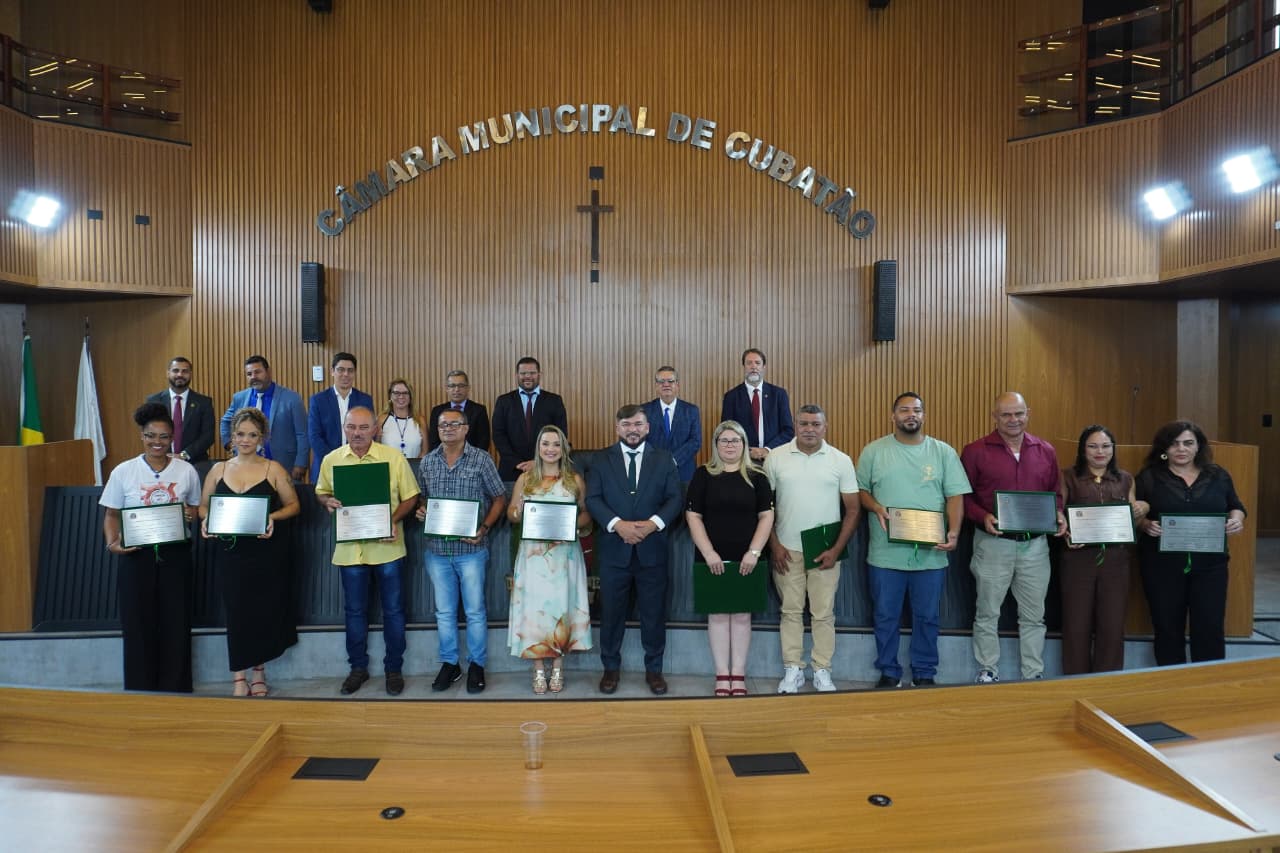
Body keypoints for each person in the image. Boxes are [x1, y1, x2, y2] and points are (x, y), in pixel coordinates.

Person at [857, 393, 970, 688]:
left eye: (917, 410)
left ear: (924, 416)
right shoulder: (874, 451)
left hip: (931, 553)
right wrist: (876, 507)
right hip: (885, 553)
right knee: (885, 615)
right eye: (904, 410)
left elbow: (955, 496)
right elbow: (861, 491)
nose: (911, 415)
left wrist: (954, 531)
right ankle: (889, 672)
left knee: (928, 616)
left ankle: (924, 671)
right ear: (893, 416)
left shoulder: (943, 452)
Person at [961, 391, 1067, 683]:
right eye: (1006, 414)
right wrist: (982, 516)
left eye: (1019, 413)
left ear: (1027, 414)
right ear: (994, 417)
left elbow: (1055, 494)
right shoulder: (975, 451)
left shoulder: (1045, 450)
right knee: (987, 612)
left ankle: (1033, 674)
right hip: (993, 544)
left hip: (1035, 546)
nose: (1013, 420)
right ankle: (987, 670)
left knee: (1034, 616)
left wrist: (1058, 513)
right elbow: (962, 498)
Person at [314, 407, 420, 696]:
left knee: (394, 612)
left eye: (363, 427)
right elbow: (321, 491)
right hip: (350, 551)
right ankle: (357, 669)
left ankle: (393, 670)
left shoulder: (393, 458)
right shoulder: (331, 459)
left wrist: (392, 520)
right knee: (354, 612)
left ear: (375, 429)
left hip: (388, 549)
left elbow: (411, 497)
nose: (357, 433)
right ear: (344, 428)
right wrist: (326, 501)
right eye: (352, 427)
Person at [99, 402, 202, 692]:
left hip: (176, 555)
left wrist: (190, 515)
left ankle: (176, 688)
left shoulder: (186, 471)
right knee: (137, 623)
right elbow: (111, 514)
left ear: (172, 438)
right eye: (151, 436)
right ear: (141, 436)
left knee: (176, 622)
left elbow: (195, 509)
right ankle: (140, 689)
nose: (157, 442)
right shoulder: (124, 471)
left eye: (164, 436)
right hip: (136, 556)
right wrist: (113, 543)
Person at [199, 407, 301, 696]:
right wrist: (207, 520)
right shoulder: (218, 470)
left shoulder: (274, 469)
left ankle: (258, 672)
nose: (245, 440)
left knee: (261, 611)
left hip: (266, 553)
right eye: (241, 434)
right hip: (230, 553)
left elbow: (294, 506)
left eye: (252, 435)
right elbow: (203, 506)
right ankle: (238, 676)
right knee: (236, 612)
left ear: (262, 438)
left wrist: (272, 517)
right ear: (232, 436)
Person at [586, 404, 683, 695]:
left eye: (638, 424)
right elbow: (593, 499)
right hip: (614, 550)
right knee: (611, 614)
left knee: (653, 614)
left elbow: (675, 499)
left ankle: (654, 670)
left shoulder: (664, 459)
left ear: (647, 427)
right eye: (627, 425)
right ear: (617, 428)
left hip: (652, 550)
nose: (633, 430)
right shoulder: (600, 459)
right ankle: (610, 669)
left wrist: (652, 525)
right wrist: (618, 525)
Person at [765, 404, 860, 693]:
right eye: (803, 424)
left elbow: (853, 510)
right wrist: (774, 545)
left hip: (825, 551)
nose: (809, 429)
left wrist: (836, 549)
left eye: (815, 424)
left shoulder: (840, 460)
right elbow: (765, 508)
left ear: (825, 427)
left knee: (823, 614)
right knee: (790, 612)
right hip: (787, 550)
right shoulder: (775, 457)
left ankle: (822, 670)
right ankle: (792, 669)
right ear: (795, 426)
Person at [1135, 420, 1246, 666]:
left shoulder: (1218, 475)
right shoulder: (1149, 477)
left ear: (1198, 447)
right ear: (1164, 448)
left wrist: (1236, 520)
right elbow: (1134, 515)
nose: (1181, 449)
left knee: (1210, 627)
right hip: (1161, 566)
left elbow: (1236, 506)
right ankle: (1173, 682)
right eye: (1174, 444)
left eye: (1188, 443)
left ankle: (1208, 682)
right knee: (1166, 627)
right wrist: (1145, 525)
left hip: (1210, 566)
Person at [415, 407, 508, 694]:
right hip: (437, 550)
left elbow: (499, 498)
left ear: (466, 429)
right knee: (444, 612)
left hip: (471, 550)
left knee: (475, 611)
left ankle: (477, 665)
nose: (448, 429)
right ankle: (450, 664)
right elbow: (424, 500)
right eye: (443, 425)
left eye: (454, 424)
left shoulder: (482, 459)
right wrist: (422, 511)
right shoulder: (428, 462)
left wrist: (485, 528)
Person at [685, 420, 774, 696]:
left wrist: (754, 552)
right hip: (711, 557)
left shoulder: (757, 476)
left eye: (735, 440)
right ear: (716, 444)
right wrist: (708, 552)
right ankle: (722, 675)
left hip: (748, 557)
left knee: (743, 617)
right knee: (718, 616)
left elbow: (766, 516)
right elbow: (693, 516)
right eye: (724, 440)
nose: (730, 445)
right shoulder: (703, 475)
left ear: (744, 444)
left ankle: (739, 675)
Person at [506, 425, 594, 694]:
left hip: (564, 556)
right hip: (533, 557)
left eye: (556, 444)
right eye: (546, 444)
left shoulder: (574, 480)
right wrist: (519, 511)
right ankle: (537, 669)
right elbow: (511, 515)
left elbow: (586, 515)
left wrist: (571, 524)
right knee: (535, 611)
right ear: (538, 447)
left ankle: (557, 668)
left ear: (563, 449)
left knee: (560, 610)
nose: (551, 449)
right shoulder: (526, 479)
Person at [1058, 425, 1148, 675]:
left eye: (1106, 446)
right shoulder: (1067, 476)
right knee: (1076, 624)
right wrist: (1065, 532)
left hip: (1115, 560)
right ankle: (1076, 680)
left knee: (1112, 624)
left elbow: (1133, 519)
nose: (1100, 451)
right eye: (1093, 446)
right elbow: (1057, 513)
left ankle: (1108, 680)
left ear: (1113, 449)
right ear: (1082, 449)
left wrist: (1144, 507)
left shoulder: (1125, 479)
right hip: (1078, 559)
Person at [218, 355, 308, 481]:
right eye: (249, 374)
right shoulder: (239, 398)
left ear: (268, 372)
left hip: (284, 464)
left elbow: (302, 433)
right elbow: (225, 421)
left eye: (257, 372)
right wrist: (230, 443)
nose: (253, 377)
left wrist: (300, 463)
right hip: (247, 466)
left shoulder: (292, 398)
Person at [492, 356, 569, 480]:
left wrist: (537, 462)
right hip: (511, 471)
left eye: (532, 373)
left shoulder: (554, 400)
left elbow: (561, 434)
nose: (527, 376)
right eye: (523, 373)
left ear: (539, 375)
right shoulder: (504, 401)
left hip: (545, 469)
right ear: (517, 375)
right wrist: (518, 463)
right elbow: (498, 435)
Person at [307, 352, 374, 482]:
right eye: (341, 370)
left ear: (355, 373)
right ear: (332, 371)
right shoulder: (318, 400)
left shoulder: (365, 400)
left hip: (358, 466)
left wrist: (354, 459)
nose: (345, 374)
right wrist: (336, 460)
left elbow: (370, 433)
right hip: (326, 466)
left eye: (350, 370)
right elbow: (314, 436)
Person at [721, 348, 793, 463]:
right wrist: (747, 451)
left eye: (757, 363)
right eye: (749, 363)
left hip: (774, 457)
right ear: (744, 367)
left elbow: (788, 431)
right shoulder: (731, 397)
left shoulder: (778, 394)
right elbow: (727, 432)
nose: (753, 367)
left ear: (764, 367)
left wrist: (767, 449)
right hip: (742, 460)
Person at [145, 356, 214, 464]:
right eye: (175, 370)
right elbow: (149, 433)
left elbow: (208, 436)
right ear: (168, 373)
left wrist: (183, 456)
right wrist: (164, 454)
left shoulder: (203, 403)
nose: (180, 374)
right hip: (160, 460)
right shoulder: (154, 401)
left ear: (190, 374)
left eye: (184, 371)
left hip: (195, 463)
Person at [643, 365, 702, 483]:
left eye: (670, 381)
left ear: (677, 385)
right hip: (653, 472)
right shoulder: (644, 411)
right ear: (656, 386)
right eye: (661, 381)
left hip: (683, 473)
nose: (666, 384)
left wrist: (674, 460)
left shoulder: (691, 410)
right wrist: (659, 461)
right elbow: (641, 440)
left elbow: (695, 441)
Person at [427, 370, 491, 452]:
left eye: (461, 385)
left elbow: (483, 441)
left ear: (468, 388)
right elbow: (434, 441)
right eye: (452, 386)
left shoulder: (479, 410)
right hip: (443, 457)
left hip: (473, 457)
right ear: (447, 388)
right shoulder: (437, 411)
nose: (457, 389)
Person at [378, 377, 426, 459]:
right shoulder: (381, 420)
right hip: (389, 465)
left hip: (415, 466)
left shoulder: (420, 420)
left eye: (405, 393)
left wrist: (414, 466)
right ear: (390, 396)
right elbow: (376, 448)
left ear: (410, 396)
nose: (401, 396)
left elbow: (425, 451)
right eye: (396, 393)